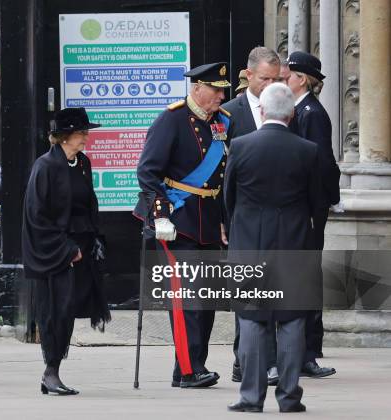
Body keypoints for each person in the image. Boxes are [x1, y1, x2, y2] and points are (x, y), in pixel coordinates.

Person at [134, 62, 231, 388]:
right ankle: (191, 370)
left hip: (209, 221)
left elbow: (222, 179)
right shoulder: (171, 120)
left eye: (222, 90)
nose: (221, 96)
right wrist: (161, 214)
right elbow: (148, 172)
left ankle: (189, 366)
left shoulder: (223, 122)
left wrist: (224, 221)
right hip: (180, 220)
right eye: (215, 90)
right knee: (187, 298)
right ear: (197, 88)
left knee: (207, 299)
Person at [225, 82, 318, 413]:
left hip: (249, 244)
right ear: (292, 114)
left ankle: (251, 397)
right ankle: (290, 397)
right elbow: (316, 202)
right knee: (292, 321)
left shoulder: (240, 145)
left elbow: (229, 197)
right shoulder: (307, 151)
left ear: (262, 111)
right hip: (293, 245)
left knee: (251, 319)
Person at [22, 107, 111, 396]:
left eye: (86, 132)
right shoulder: (45, 166)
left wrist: (94, 237)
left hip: (80, 247)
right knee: (55, 311)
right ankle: (50, 372)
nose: (86, 138)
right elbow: (37, 216)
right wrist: (66, 248)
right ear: (63, 137)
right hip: (56, 250)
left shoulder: (82, 163)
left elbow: (88, 204)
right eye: (81, 133)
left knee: (69, 309)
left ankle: (54, 370)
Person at [223, 47, 281, 384]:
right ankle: (244, 359)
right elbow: (223, 176)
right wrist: (225, 220)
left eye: (276, 79)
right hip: (242, 219)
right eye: (265, 79)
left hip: (277, 219)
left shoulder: (285, 111)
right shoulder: (229, 114)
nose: (271, 85)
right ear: (248, 75)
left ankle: (256, 361)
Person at [287, 50, 340, 379]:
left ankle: (310, 348)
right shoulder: (299, 110)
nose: (285, 80)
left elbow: (320, 163)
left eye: (289, 75)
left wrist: (318, 205)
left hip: (308, 210)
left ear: (302, 79)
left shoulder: (311, 113)